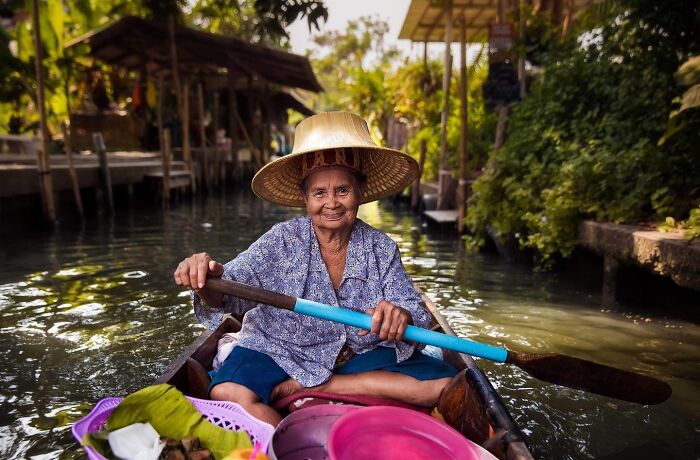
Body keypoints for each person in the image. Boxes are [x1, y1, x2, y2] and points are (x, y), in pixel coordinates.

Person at [174, 112, 457, 426]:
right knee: (227, 393)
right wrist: (205, 281)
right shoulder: (280, 240)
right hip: (280, 349)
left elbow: (413, 310)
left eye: (343, 191)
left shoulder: (381, 246)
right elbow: (230, 291)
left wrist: (399, 315)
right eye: (320, 193)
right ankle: (291, 440)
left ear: (360, 192)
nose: (331, 203)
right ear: (305, 197)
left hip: (356, 356)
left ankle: (322, 387)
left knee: (444, 387)